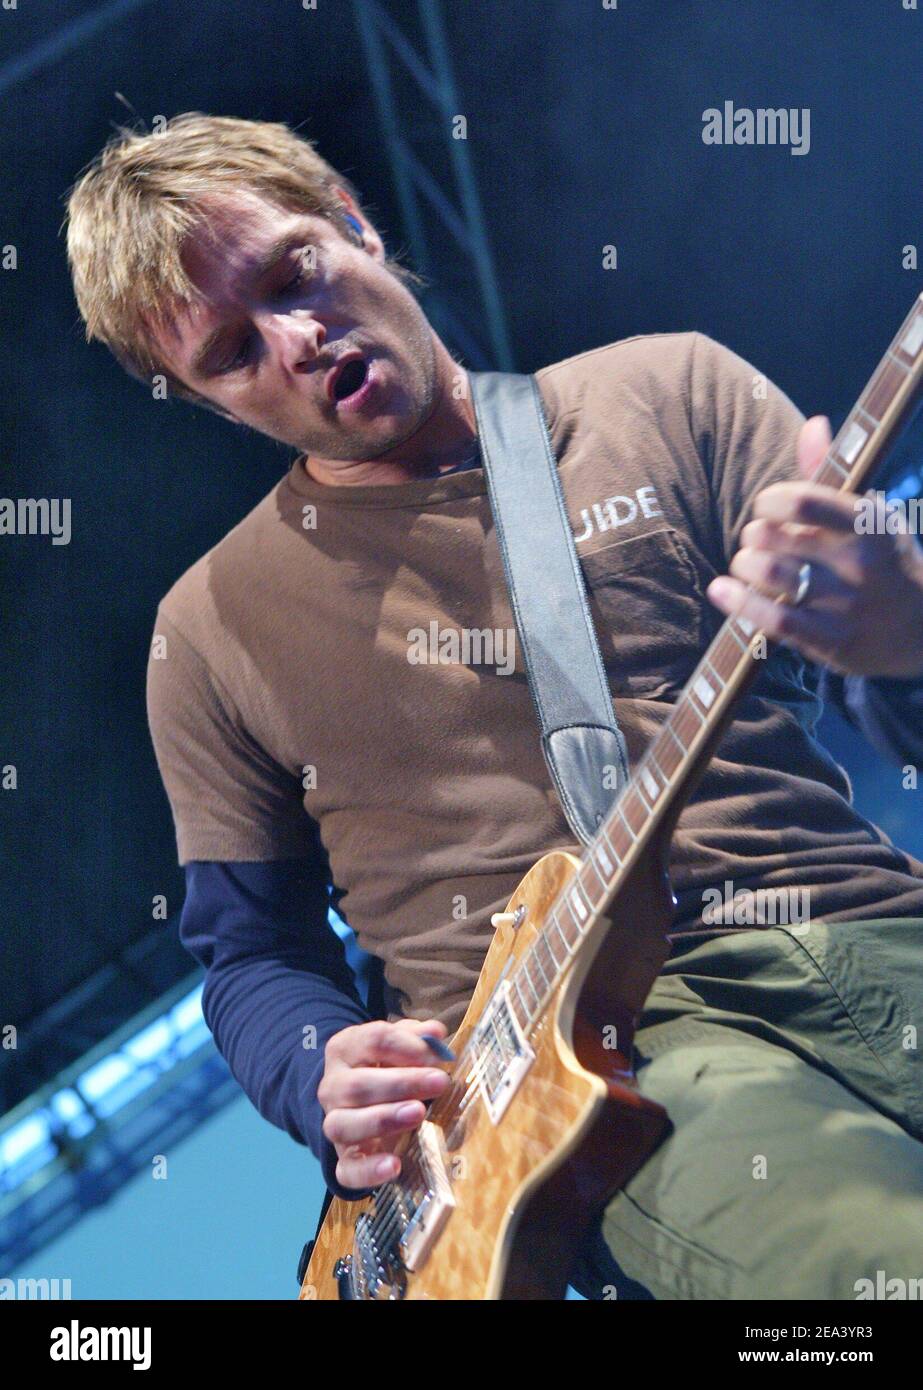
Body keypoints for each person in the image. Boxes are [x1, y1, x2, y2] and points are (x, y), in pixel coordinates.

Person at [65, 114, 923, 1299]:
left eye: (293, 272)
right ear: (207, 401)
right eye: (231, 350)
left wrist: (903, 631)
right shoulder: (208, 631)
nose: (297, 338)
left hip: (869, 934)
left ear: (352, 216)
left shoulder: (663, 388)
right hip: (599, 1077)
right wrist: (322, 1068)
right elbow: (252, 952)